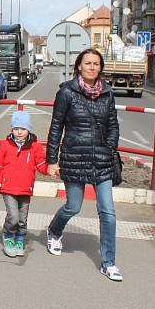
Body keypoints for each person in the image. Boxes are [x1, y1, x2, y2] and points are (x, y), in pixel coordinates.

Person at [45, 48, 123, 281]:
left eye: (96, 64)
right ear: (79, 65)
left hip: (102, 159)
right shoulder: (67, 93)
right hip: (74, 156)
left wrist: (109, 147)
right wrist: (51, 159)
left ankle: (108, 262)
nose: (92, 67)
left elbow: (113, 125)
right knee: (73, 206)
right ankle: (54, 230)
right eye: (88, 63)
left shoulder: (108, 93)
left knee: (107, 211)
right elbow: (56, 126)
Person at [0, 111, 49, 258]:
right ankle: (8, 235)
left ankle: (20, 240)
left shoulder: (35, 147)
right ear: (12, 130)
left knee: (23, 219)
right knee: (13, 216)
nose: (19, 132)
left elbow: (41, 164)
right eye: (16, 129)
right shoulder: (5, 145)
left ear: (29, 129)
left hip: (25, 189)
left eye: (22, 128)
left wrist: (51, 170)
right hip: (8, 188)